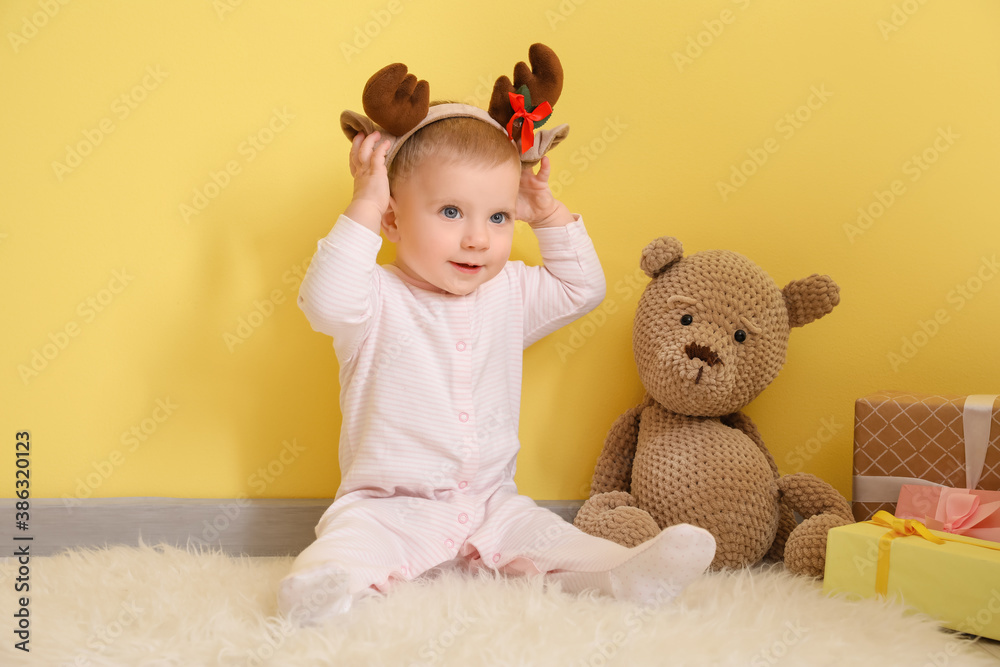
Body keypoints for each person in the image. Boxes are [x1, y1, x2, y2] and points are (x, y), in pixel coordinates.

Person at [277, 62, 715, 625]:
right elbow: (325, 302)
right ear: (392, 218)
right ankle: (324, 594)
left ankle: (621, 573)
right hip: (388, 507)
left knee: (550, 538)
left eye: (500, 215)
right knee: (347, 548)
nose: (478, 238)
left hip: (490, 504)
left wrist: (546, 212)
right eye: (451, 212)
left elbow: (582, 288)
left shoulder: (508, 291)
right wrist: (363, 201)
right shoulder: (373, 297)